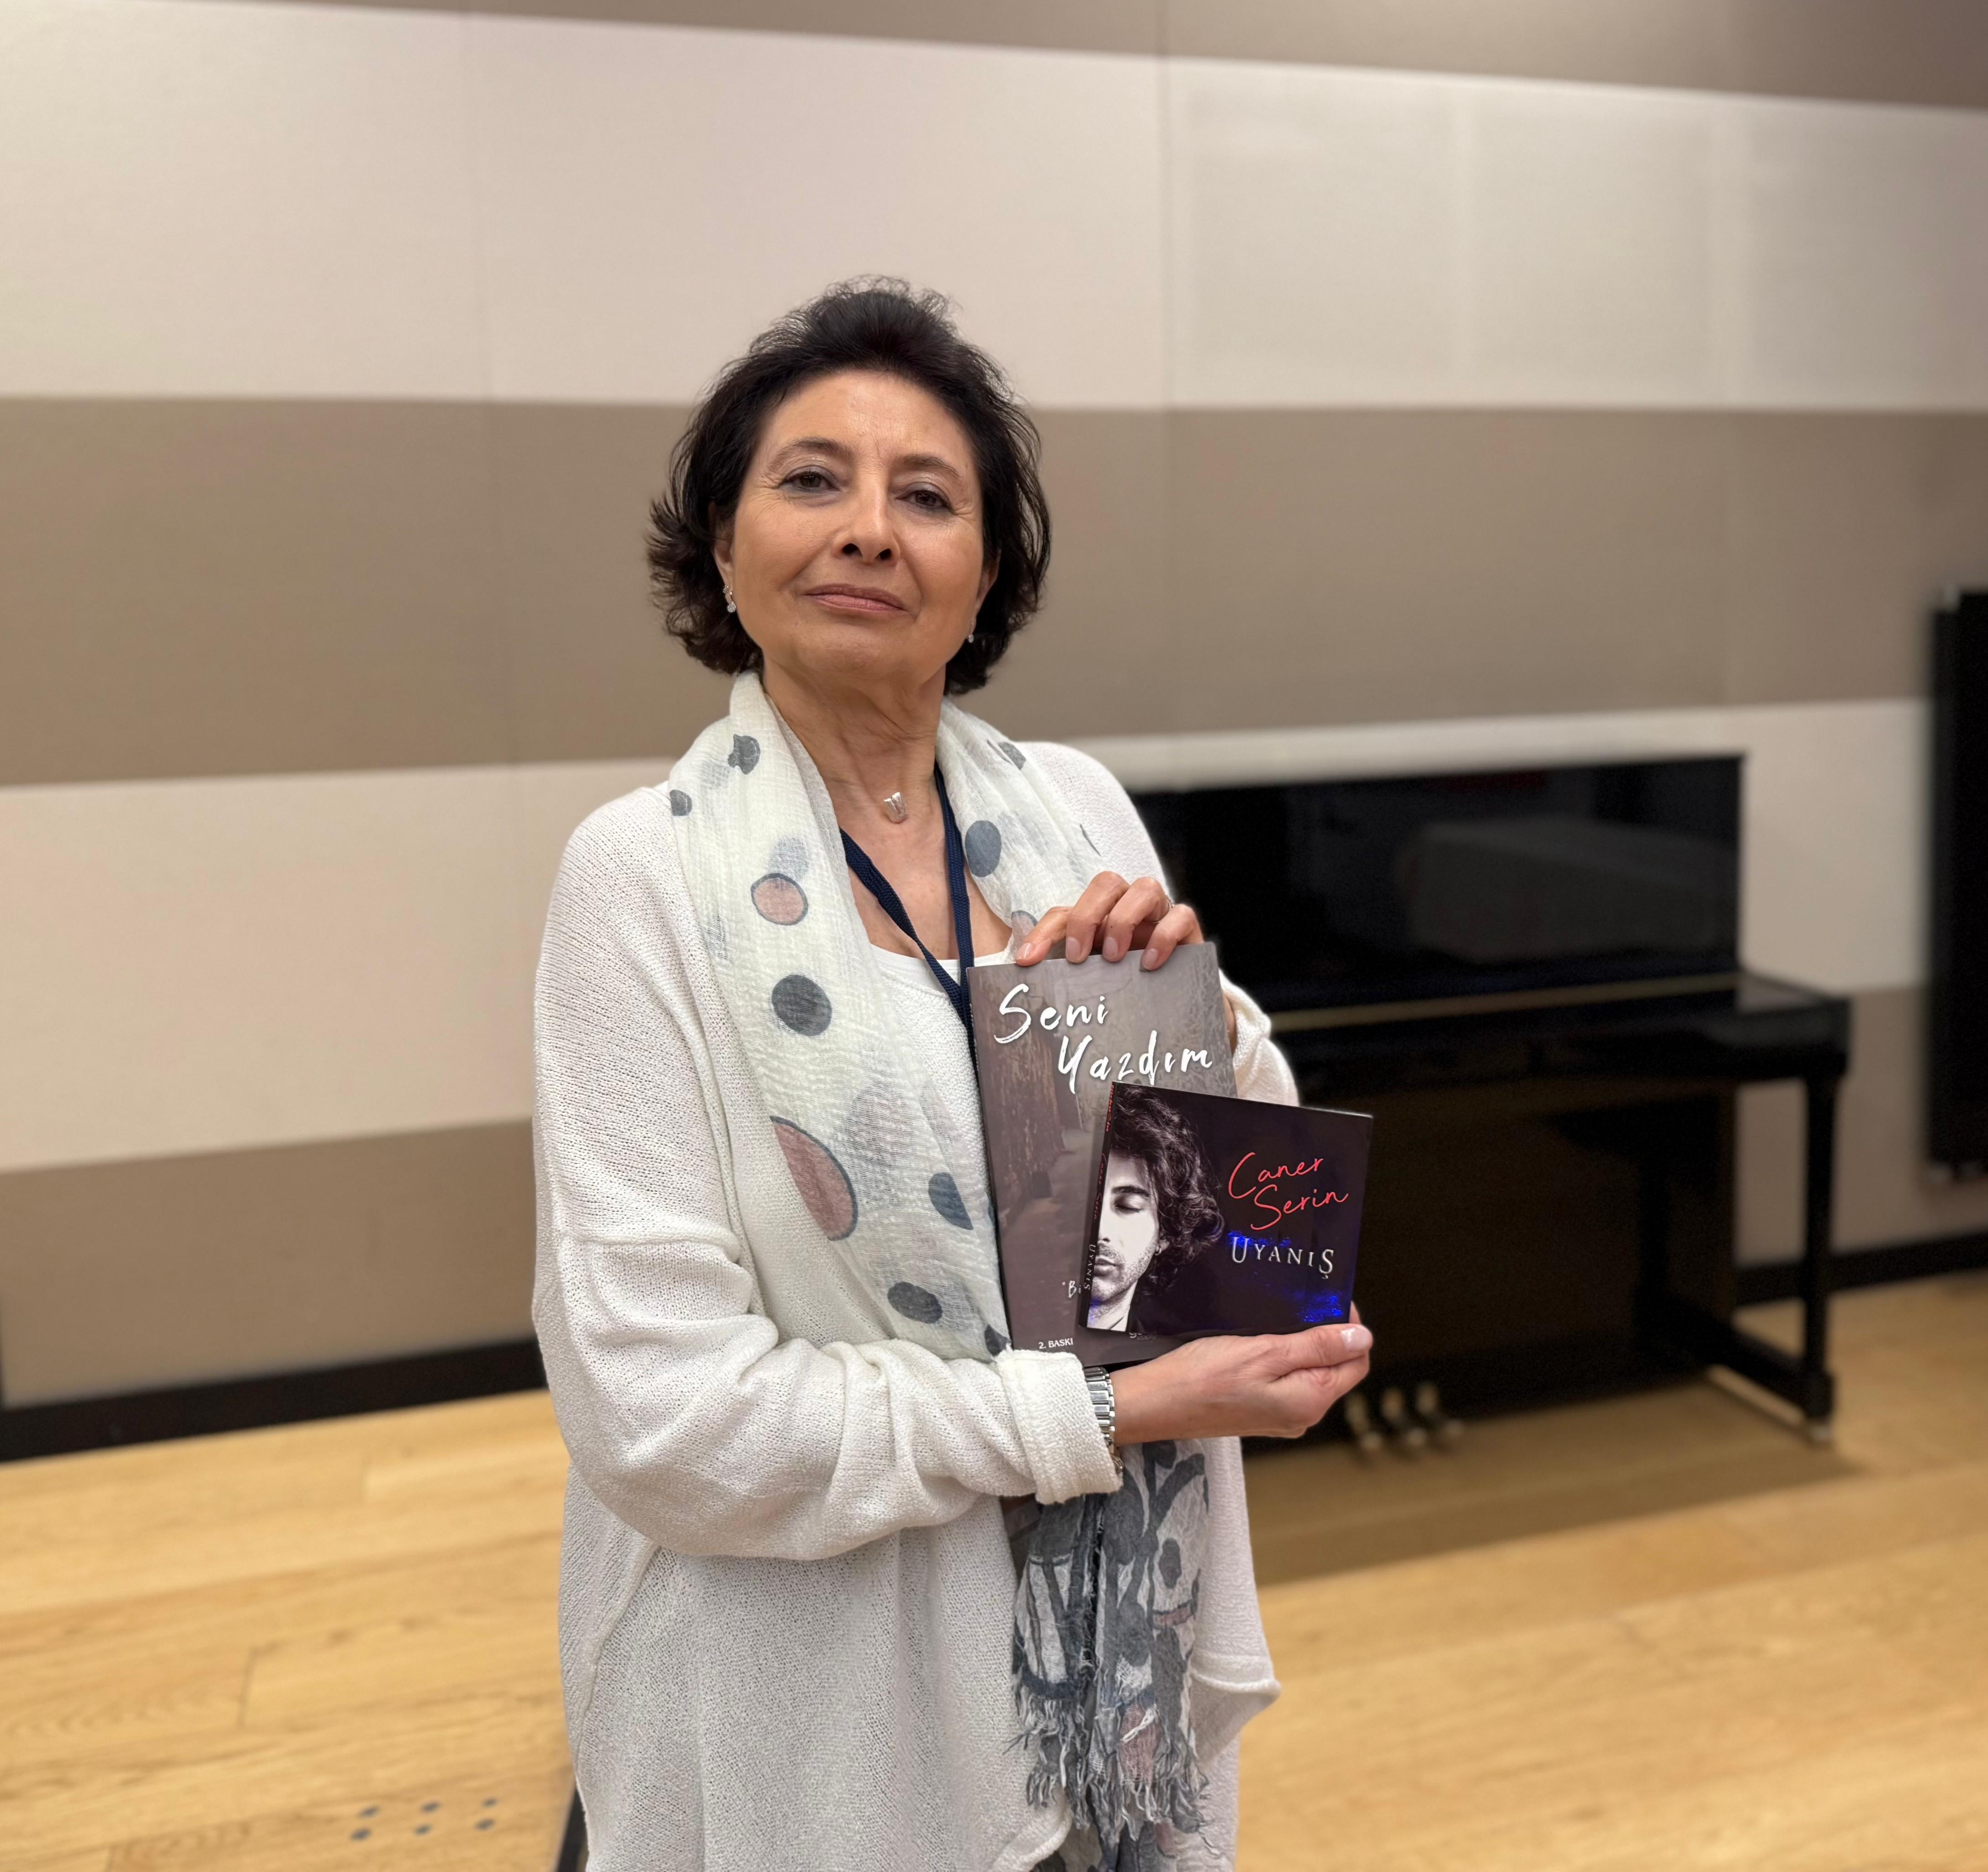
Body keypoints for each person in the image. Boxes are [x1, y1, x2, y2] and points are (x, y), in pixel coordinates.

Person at [531, 280, 1373, 1872]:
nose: (868, 526)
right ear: (724, 546)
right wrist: (1099, 1411)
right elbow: (665, 1419)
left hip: (1113, 1666)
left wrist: (1206, 1026)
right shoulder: (642, 876)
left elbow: (1229, 1247)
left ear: (982, 577)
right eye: (812, 479)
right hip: (822, 1704)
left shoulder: (1073, 811)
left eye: (926, 495)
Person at [1087, 1088, 1225, 1334]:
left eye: (1128, 1206)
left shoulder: (1172, 1355)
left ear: (1164, 1234)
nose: (1099, 1229)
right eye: (1085, 1202)